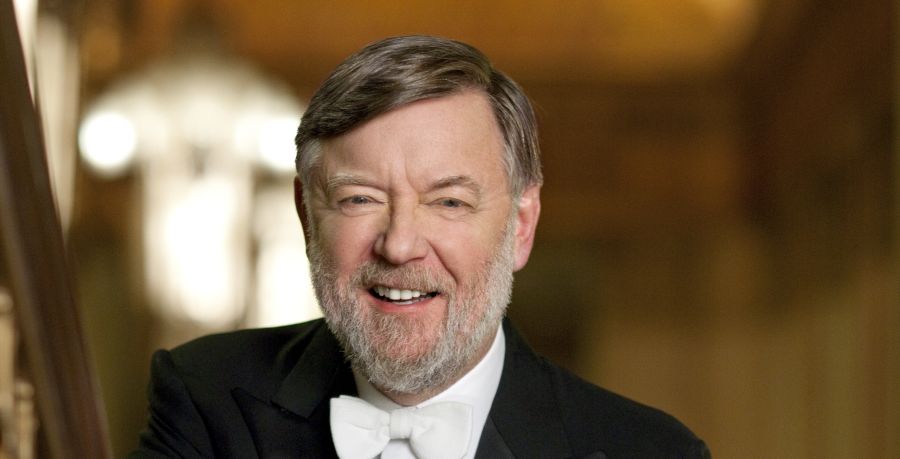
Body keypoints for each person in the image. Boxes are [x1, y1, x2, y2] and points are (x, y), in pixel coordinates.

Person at [132, 35, 710, 458]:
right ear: (307, 219)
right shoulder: (205, 402)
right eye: (360, 199)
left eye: (449, 202)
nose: (401, 244)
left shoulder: (651, 451)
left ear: (521, 227)